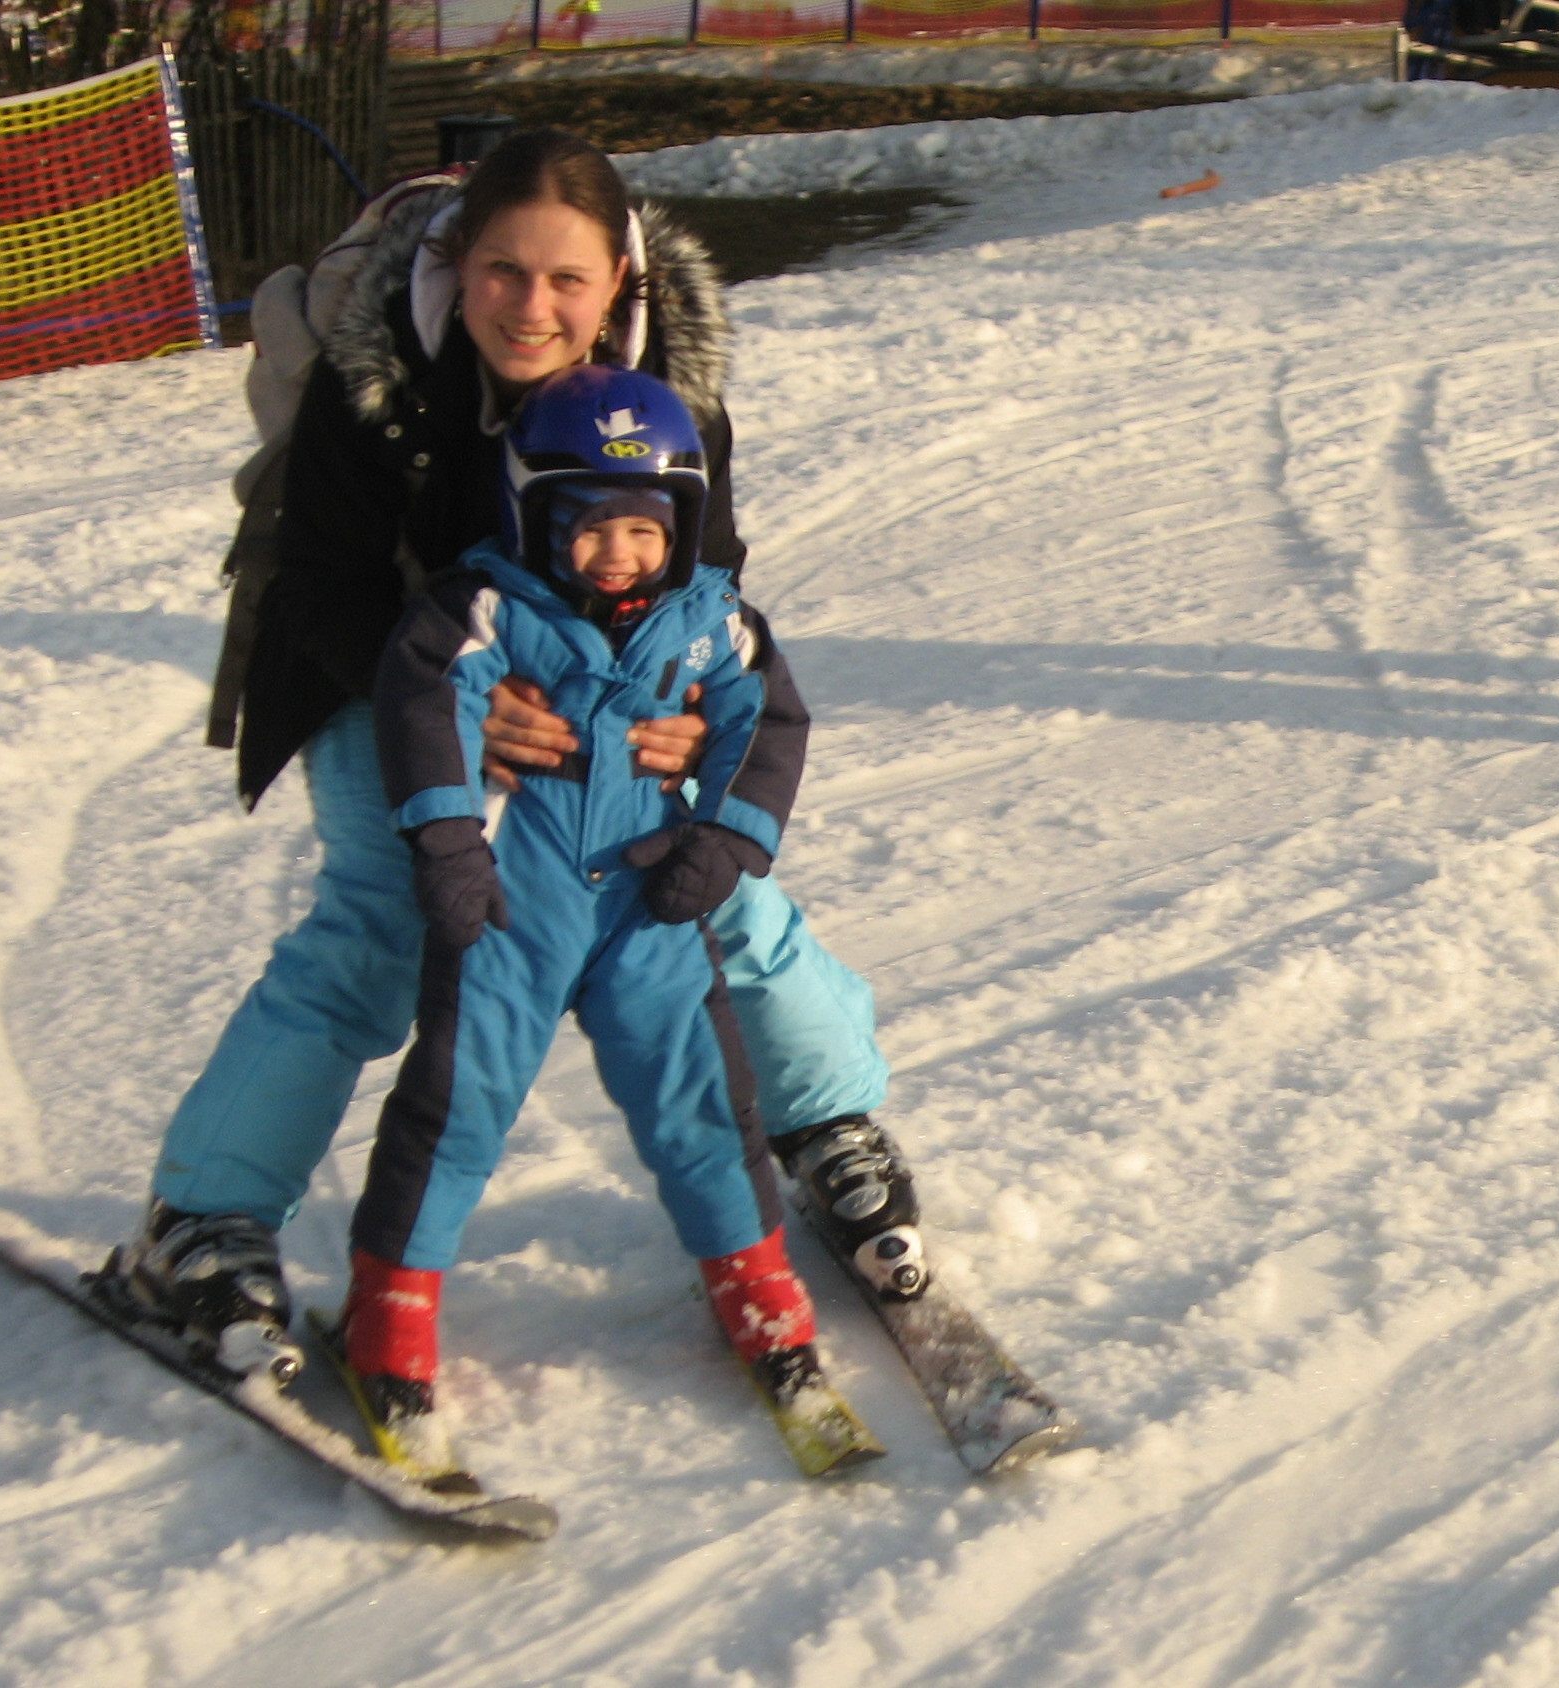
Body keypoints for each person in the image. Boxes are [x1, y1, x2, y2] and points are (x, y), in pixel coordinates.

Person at [112, 129, 924, 1377]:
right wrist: (457, 702)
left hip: (605, 691)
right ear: (459, 261)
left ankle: (827, 1126)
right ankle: (202, 1217)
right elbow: (317, 583)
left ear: (618, 282)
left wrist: (688, 710)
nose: (531, 306)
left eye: (566, 279)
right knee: (388, 917)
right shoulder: (380, 378)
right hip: (378, 666)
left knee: (705, 891)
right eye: (504, 270)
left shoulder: (675, 389)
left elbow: (711, 575)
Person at [342, 364, 831, 1460]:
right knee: (459, 1099)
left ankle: (754, 1281)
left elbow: (768, 723)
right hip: (515, 898)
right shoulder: (488, 608)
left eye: (644, 530)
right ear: (536, 518)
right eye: (589, 526)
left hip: (649, 898)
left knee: (699, 1092)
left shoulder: (713, 623)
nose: (619, 553)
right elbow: (426, 703)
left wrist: (726, 840)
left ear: (681, 528)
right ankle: (392, 1306)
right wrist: (448, 843)